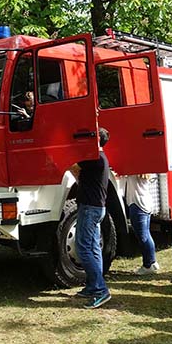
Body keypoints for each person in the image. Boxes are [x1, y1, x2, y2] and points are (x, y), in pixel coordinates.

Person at [70, 127, 111, 309]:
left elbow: (72, 167)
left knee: (84, 248)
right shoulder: (100, 158)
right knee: (93, 248)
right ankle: (93, 286)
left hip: (90, 208)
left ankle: (101, 290)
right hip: (95, 208)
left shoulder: (94, 159)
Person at [126, 174, 159, 275]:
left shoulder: (134, 172)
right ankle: (152, 262)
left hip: (137, 204)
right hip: (145, 203)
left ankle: (148, 264)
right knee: (146, 235)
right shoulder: (143, 172)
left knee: (143, 236)